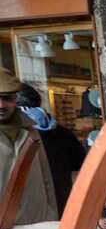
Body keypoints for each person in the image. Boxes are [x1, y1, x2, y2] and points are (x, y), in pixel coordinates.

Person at [17, 84, 85, 215]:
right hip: (64, 207)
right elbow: (79, 171)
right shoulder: (65, 134)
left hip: (29, 214)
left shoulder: (19, 137)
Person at [0, 69, 57, 224]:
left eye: (6, 98)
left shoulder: (30, 132)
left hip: (35, 222)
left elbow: (46, 179)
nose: (1, 105)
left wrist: (50, 217)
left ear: (15, 99)